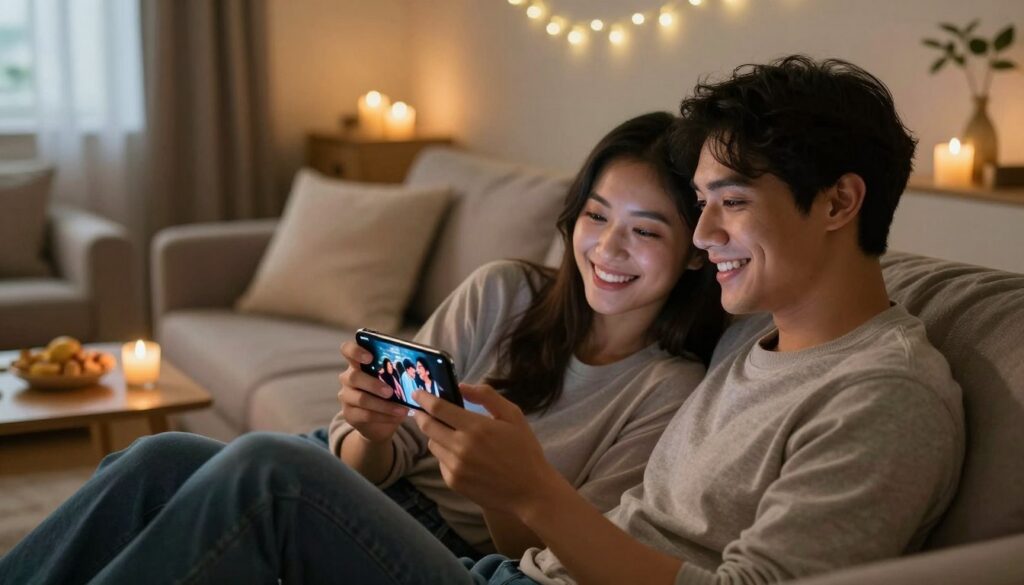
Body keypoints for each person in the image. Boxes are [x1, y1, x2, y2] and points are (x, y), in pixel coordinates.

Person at [0, 111, 726, 584]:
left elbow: (556, 561)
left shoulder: (667, 389)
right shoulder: (505, 293)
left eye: (645, 230)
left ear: (694, 252)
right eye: (596, 216)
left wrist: (500, 486)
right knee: (158, 459)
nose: (607, 247)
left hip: (469, 557)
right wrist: (374, 432)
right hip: (376, 487)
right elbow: (371, 459)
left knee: (269, 466)